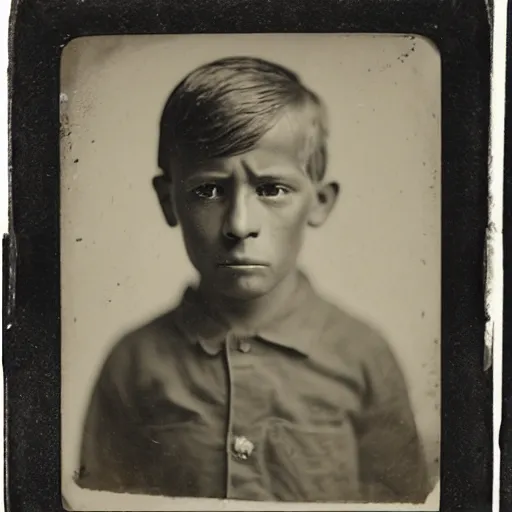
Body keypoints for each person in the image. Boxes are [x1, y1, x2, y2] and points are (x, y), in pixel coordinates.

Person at [76, 56, 431, 503]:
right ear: (169, 202)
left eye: (271, 189)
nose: (239, 224)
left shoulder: (363, 357)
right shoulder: (133, 364)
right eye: (209, 190)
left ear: (319, 202)